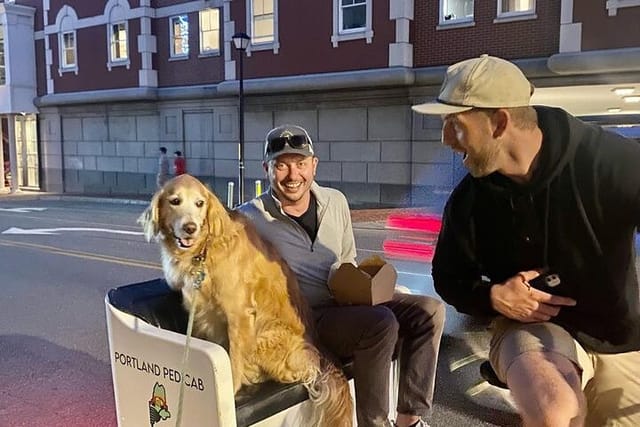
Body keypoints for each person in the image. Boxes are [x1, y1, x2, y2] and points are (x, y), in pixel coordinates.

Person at [412, 54, 640, 426]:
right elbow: (448, 278)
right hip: (526, 328)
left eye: (455, 124)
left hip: (620, 333)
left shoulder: (609, 161)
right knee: (554, 411)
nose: (445, 140)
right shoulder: (470, 201)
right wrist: (493, 297)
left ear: (499, 122)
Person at [238, 124, 445, 427]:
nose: (293, 175)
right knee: (380, 324)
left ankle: (408, 420)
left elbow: (347, 259)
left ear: (314, 165)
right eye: (281, 166)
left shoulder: (335, 201)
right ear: (267, 169)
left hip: (346, 304)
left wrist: (363, 287)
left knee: (429, 311)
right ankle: (373, 424)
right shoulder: (248, 218)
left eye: (301, 164)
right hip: (306, 320)